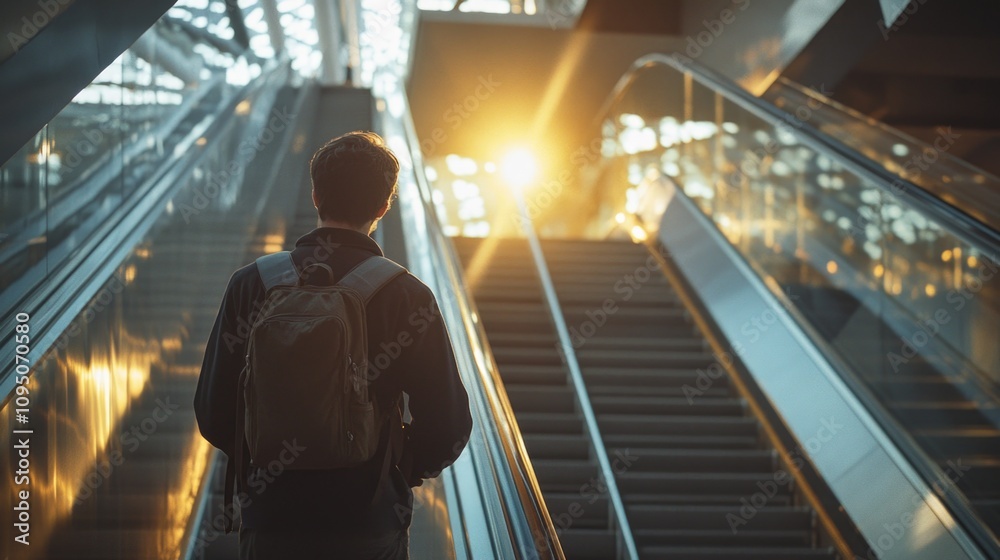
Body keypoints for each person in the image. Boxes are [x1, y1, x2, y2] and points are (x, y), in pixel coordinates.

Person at [194, 131, 473, 559]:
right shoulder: (406, 295)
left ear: (315, 195)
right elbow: (449, 423)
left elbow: (213, 412)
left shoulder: (252, 284)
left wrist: (269, 458)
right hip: (367, 524)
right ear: (383, 206)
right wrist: (400, 468)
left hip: (272, 522)